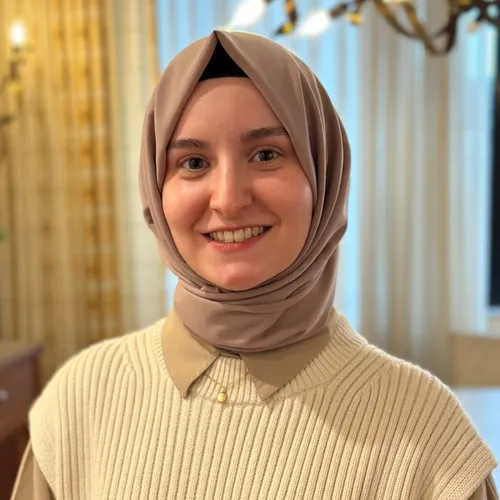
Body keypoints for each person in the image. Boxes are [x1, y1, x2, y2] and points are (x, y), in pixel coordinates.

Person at [11, 30, 498, 499]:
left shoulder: (427, 440)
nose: (228, 200)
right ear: (156, 192)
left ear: (324, 178)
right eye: (193, 163)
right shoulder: (79, 403)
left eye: (266, 154)